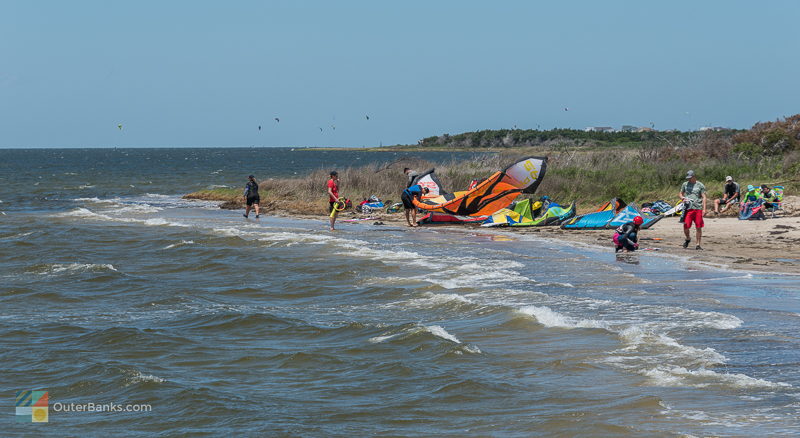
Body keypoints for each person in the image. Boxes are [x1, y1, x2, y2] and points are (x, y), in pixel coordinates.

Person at [680, 170, 707, 250]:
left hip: (698, 208)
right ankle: (688, 238)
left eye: (690, 178)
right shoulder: (685, 184)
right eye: (688, 178)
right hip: (688, 208)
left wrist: (704, 209)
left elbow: (704, 197)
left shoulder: (700, 185)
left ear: (694, 176)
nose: (689, 179)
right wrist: (682, 198)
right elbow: (680, 193)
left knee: (698, 226)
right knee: (686, 226)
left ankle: (698, 244)